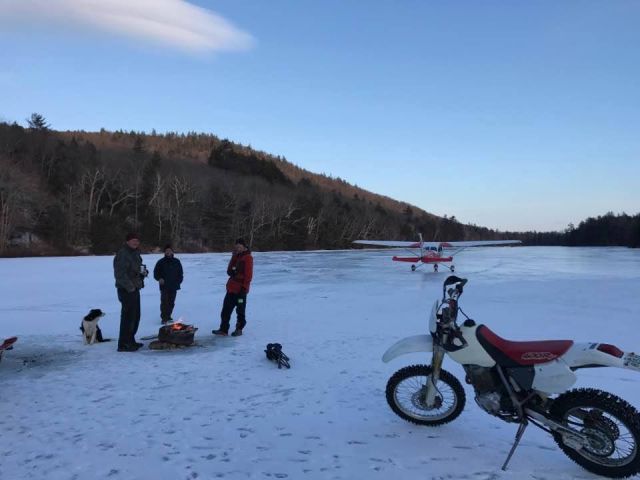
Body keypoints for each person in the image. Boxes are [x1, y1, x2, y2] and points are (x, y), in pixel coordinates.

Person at [113, 232, 148, 352]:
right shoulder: (123, 254)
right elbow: (120, 274)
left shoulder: (135, 253)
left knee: (135, 316)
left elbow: (135, 269)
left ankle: (130, 340)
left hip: (135, 288)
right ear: (127, 241)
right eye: (133, 240)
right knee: (128, 317)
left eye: (137, 241)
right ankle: (123, 344)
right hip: (126, 290)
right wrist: (130, 287)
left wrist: (143, 272)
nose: (136, 242)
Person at [212, 238, 253, 337]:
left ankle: (239, 329)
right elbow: (229, 270)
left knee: (240, 311)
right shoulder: (236, 256)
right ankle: (223, 329)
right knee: (226, 310)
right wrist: (234, 256)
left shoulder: (248, 258)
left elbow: (249, 275)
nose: (238, 249)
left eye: (239, 247)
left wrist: (244, 288)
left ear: (244, 247)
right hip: (231, 289)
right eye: (236, 247)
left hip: (241, 291)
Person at [153, 245, 184, 324]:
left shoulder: (177, 261)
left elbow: (180, 273)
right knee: (164, 302)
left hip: (174, 285)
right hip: (164, 286)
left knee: (171, 302)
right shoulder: (161, 262)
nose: (168, 252)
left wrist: (179, 281)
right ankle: (164, 318)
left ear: (172, 252)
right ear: (165, 252)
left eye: (170, 250)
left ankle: (169, 316)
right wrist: (159, 278)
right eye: (167, 251)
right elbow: (156, 273)